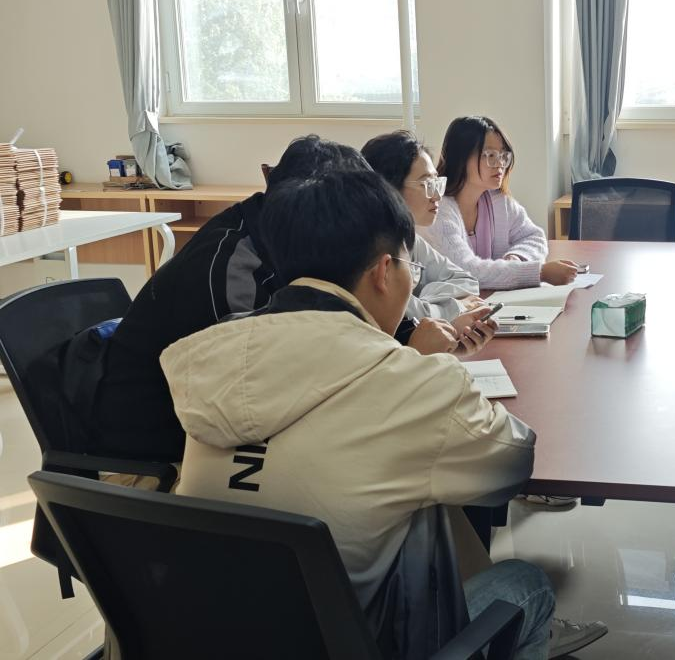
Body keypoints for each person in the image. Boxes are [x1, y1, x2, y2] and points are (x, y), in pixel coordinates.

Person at [166, 170, 605, 659]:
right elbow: (510, 465)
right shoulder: (411, 385)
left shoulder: (216, 359)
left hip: (209, 636)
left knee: (416, 502)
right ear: (382, 272)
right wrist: (433, 375)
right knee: (527, 583)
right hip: (353, 644)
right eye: (409, 266)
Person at [91, 135, 368, 466]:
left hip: (207, 431)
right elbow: (250, 395)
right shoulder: (233, 269)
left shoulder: (276, 235)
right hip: (149, 462)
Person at [363, 130, 498, 354]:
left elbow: (467, 281)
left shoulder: (407, 237)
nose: (437, 196)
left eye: (437, 183)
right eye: (427, 184)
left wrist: (426, 303)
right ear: (388, 188)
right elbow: (406, 312)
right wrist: (455, 306)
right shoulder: (370, 249)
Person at [424, 116, 579, 290]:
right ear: (461, 157)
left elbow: (534, 236)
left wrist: (517, 256)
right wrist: (540, 273)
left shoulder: (497, 200)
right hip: (451, 305)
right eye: (490, 155)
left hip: (488, 301)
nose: (500, 164)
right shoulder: (437, 210)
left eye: (503, 155)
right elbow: (467, 271)